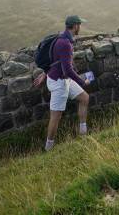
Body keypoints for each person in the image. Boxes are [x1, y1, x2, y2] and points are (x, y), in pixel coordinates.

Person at [42, 15, 92, 151]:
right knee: (56, 117)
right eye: (79, 25)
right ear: (75, 26)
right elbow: (67, 69)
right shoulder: (65, 43)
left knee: (84, 98)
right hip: (60, 83)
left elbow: (55, 60)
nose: (80, 27)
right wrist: (83, 81)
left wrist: (44, 73)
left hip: (63, 79)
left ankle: (83, 133)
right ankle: (48, 148)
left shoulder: (62, 37)